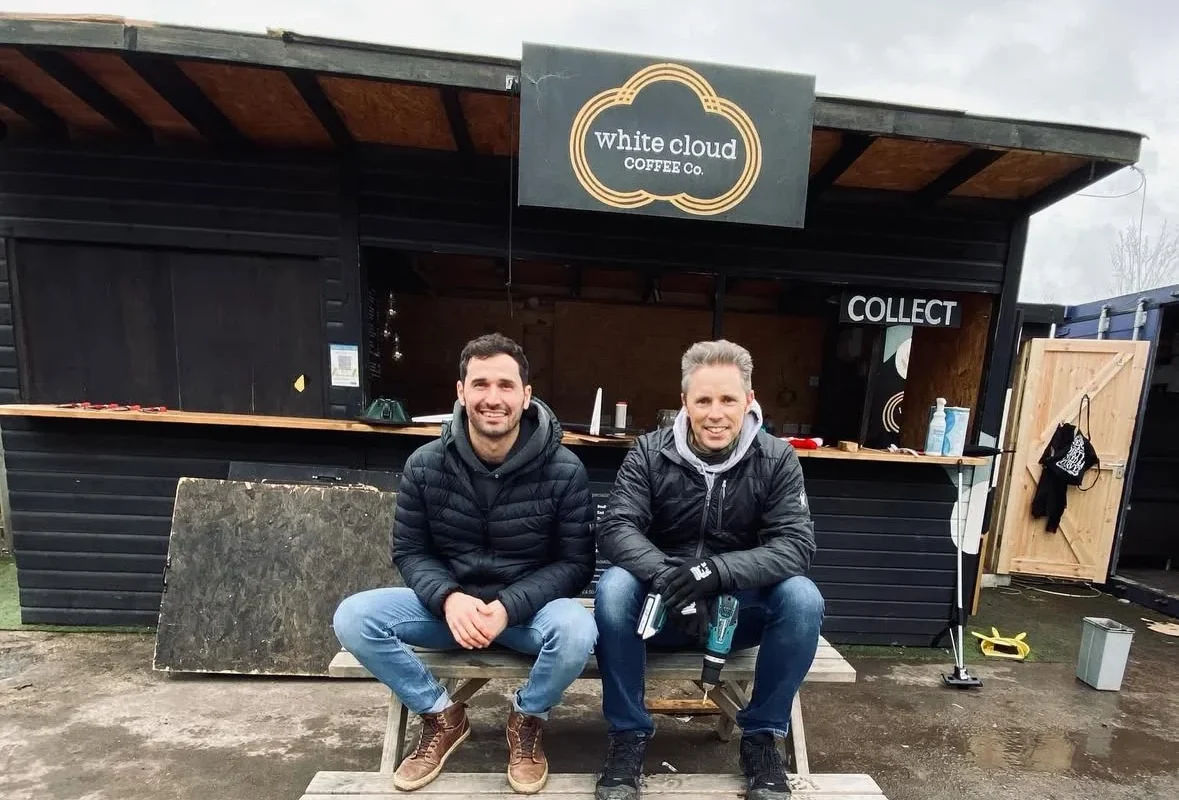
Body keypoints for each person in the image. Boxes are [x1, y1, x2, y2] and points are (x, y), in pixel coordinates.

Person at [333, 333, 597, 794]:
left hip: (525, 616)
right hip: (450, 612)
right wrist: (449, 597)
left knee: (577, 630)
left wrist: (508, 607)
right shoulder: (424, 465)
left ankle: (528, 718)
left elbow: (575, 564)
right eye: (480, 384)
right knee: (354, 616)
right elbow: (410, 551)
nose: (492, 398)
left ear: (526, 396)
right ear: (460, 392)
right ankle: (442, 715)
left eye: (505, 385)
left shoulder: (565, 469)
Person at [593, 339, 823, 800]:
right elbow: (617, 527)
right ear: (684, 403)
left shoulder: (778, 458)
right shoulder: (648, 452)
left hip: (736, 613)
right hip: (661, 610)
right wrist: (668, 575)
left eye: (728, 400)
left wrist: (714, 572)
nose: (715, 413)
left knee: (802, 598)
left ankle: (760, 739)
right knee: (614, 587)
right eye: (703, 400)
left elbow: (795, 546)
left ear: (749, 400)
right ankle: (628, 736)